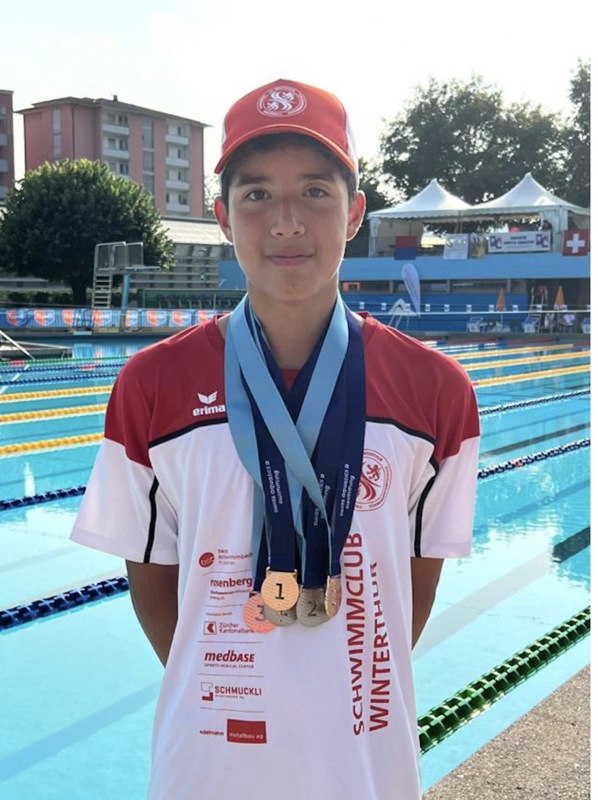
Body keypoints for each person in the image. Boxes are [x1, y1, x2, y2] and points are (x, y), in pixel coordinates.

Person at [69, 79, 481, 799]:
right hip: (206, 771)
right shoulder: (150, 385)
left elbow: (407, 596)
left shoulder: (437, 393)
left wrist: (328, 687)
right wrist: (234, 676)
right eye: (257, 195)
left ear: (354, 213)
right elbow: (154, 585)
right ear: (223, 217)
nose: (287, 221)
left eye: (315, 192)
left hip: (365, 771)